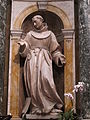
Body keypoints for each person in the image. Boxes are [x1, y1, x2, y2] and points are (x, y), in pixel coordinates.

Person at [18, 15, 66, 115]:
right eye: (33, 22)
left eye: (35, 22)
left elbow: (55, 50)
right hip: (32, 61)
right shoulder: (30, 34)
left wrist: (58, 57)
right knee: (33, 84)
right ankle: (36, 107)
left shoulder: (50, 34)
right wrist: (23, 46)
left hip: (45, 60)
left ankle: (50, 105)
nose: (34, 24)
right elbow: (25, 51)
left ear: (41, 21)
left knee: (46, 79)